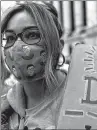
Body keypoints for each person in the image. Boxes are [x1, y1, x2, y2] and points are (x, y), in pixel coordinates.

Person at [1, 1, 67, 129]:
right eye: (10, 38)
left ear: (58, 46)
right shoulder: (4, 109)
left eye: (32, 35)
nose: (17, 46)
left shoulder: (86, 97)